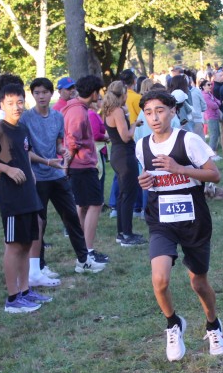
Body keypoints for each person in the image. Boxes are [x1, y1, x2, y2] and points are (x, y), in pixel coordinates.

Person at [135, 90, 223, 362]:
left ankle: (213, 325)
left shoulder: (188, 140)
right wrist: (145, 182)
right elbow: (148, 176)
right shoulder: (142, 145)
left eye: (160, 111)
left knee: (198, 282)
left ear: (173, 111)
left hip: (193, 219)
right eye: (148, 112)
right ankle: (173, 323)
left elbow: (215, 175)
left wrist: (180, 169)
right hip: (161, 220)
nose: (154, 118)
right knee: (160, 280)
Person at [0, 82, 50, 313]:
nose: (16, 107)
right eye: (10, 103)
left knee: (26, 243)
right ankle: (13, 298)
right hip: (12, 199)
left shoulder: (21, 128)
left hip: (28, 194)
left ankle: (25, 291)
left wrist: (36, 168)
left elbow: (24, 154)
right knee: (14, 246)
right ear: (2, 105)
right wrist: (6, 169)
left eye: (19, 102)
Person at [21, 77, 105, 280]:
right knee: (40, 222)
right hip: (39, 177)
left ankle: (83, 260)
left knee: (72, 218)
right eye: (37, 93)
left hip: (57, 175)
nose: (41, 96)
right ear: (33, 95)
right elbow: (25, 151)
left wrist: (63, 150)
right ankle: (39, 267)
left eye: (44, 92)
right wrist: (47, 161)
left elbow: (59, 143)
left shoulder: (58, 116)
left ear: (52, 94)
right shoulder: (26, 118)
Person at [62, 75, 109, 267]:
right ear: (94, 93)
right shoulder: (78, 112)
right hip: (82, 165)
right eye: (99, 92)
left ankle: (82, 252)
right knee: (95, 204)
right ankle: (87, 251)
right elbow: (72, 141)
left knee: (82, 206)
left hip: (79, 165)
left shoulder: (77, 108)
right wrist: (67, 165)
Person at [101, 81, 145, 247]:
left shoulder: (108, 110)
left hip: (117, 154)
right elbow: (126, 136)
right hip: (125, 155)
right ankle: (127, 234)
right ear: (123, 94)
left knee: (122, 195)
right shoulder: (117, 111)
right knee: (128, 195)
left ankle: (122, 233)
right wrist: (133, 125)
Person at [200, 79, 221, 156]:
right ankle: (211, 153)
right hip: (211, 116)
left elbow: (218, 101)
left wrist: (216, 103)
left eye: (211, 84)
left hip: (214, 115)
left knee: (217, 133)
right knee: (214, 135)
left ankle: (214, 150)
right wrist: (217, 103)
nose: (210, 86)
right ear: (203, 86)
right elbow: (214, 105)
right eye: (208, 85)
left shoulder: (209, 94)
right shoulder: (205, 96)